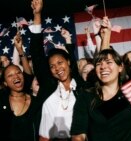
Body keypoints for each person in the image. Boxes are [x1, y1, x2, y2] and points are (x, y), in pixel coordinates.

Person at [71, 7, 131, 140]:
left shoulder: (130, 92)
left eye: (109, 63)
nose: (103, 67)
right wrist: (105, 37)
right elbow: (78, 134)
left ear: (120, 67)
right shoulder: (87, 97)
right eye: (98, 64)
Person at [29, 0, 85, 140]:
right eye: (52, 66)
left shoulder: (80, 86)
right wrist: (37, 15)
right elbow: (37, 53)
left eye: (60, 62)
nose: (57, 68)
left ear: (68, 62)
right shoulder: (48, 84)